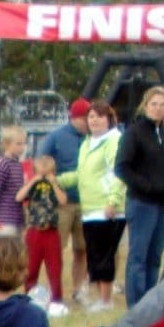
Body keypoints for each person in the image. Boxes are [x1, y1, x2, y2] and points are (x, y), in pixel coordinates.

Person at [57, 101, 126, 310]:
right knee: (94, 255)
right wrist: (56, 180)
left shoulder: (114, 140)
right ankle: (100, 297)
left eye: (99, 116)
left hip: (106, 207)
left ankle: (106, 300)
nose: (94, 120)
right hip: (89, 208)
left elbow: (119, 172)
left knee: (105, 254)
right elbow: (82, 174)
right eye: (91, 117)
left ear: (109, 119)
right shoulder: (87, 143)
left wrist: (113, 201)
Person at [116, 84, 164, 306]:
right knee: (138, 257)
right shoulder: (134, 133)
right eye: (154, 104)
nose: (158, 108)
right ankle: (136, 304)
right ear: (145, 105)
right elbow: (122, 167)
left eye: (162, 105)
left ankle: (151, 303)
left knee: (155, 256)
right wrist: (147, 186)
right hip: (142, 202)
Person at [41, 98, 93, 293]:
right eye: (86, 118)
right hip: (62, 204)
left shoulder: (93, 138)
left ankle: (79, 290)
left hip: (86, 203)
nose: (89, 123)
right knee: (56, 250)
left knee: (82, 249)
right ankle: (53, 290)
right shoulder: (55, 137)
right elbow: (41, 164)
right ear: (76, 118)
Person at [17, 152, 68, 314]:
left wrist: (53, 183)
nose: (44, 176)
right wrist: (33, 180)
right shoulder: (31, 185)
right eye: (41, 172)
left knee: (54, 267)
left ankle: (56, 300)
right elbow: (19, 197)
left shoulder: (56, 185)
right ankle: (29, 298)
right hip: (34, 231)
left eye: (48, 173)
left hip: (51, 231)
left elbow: (63, 201)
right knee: (31, 267)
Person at [0, 124, 29, 237]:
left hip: (17, 218)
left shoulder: (17, 165)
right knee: (5, 251)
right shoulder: (3, 164)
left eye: (24, 143)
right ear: (7, 144)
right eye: (18, 144)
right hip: (4, 219)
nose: (22, 147)